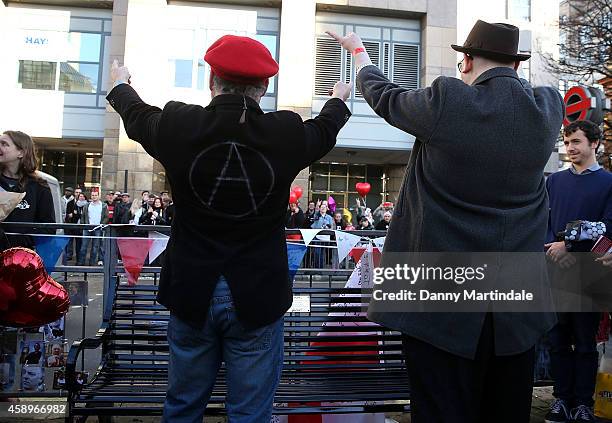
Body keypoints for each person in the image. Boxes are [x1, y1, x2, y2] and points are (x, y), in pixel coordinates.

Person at [107, 34, 351, 422]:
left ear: (211, 80)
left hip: (191, 290)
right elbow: (324, 128)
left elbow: (136, 116)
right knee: (250, 413)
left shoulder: (178, 124)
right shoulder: (285, 133)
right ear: (265, 86)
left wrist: (120, 84)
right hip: (258, 293)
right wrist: (339, 97)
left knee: (184, 407)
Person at [328, 19, 564, 423]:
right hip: (516, 307)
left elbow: (384, 96)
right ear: (518, 65)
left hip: (439, 300)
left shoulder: (450, 101)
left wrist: (358, 52)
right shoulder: (548, 109)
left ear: (467, 61)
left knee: (441, 410)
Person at [544, 120, 612, 423]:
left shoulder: (609, 182)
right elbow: (543, 221)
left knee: (585, 343)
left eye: (576, 142)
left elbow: (608, 228)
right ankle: (561, 400)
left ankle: (583, 403)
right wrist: (556, 249)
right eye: (567, 142)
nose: (570, 148)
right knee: (557, 340)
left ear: (593, 144)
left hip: (591, 273)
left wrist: (568, 246)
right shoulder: (554, 182)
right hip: (555, 270)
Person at [0, 131, 55, 249]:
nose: (0, 146)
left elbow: (48, 227)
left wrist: (21, 242)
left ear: (21, 152)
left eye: (4, 144)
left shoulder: (39, 186)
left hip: (21, 260)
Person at [77, 190, 109, 266]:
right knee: (83, 247)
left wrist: (101, 225)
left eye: (95, 195)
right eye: (92, 195)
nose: (94, 196)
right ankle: (80, 263)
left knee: (95, 247)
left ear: (99, 196)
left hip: (98, 228)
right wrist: (83, 225)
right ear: (91, 196)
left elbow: (106, 217)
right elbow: (83, 216)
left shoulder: (104, 205)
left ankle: (92, 263)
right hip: (87, 228)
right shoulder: (87, 205)